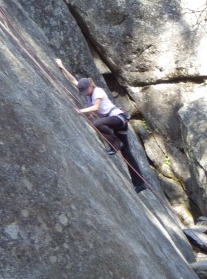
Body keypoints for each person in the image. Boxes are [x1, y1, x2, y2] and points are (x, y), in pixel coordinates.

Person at [55, 59, 147, 193]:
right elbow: (74, 81)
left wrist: (81, 111)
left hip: (118, 118)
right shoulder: (88, 94)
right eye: (84, 91)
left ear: (91, 86)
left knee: (97, 123)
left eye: (86, 90)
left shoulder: (98, 91)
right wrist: (62, 67)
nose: (85, 93)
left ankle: (115, 143)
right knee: (126, 153)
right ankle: (139, 184)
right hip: (117, 124)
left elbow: (97, 107)